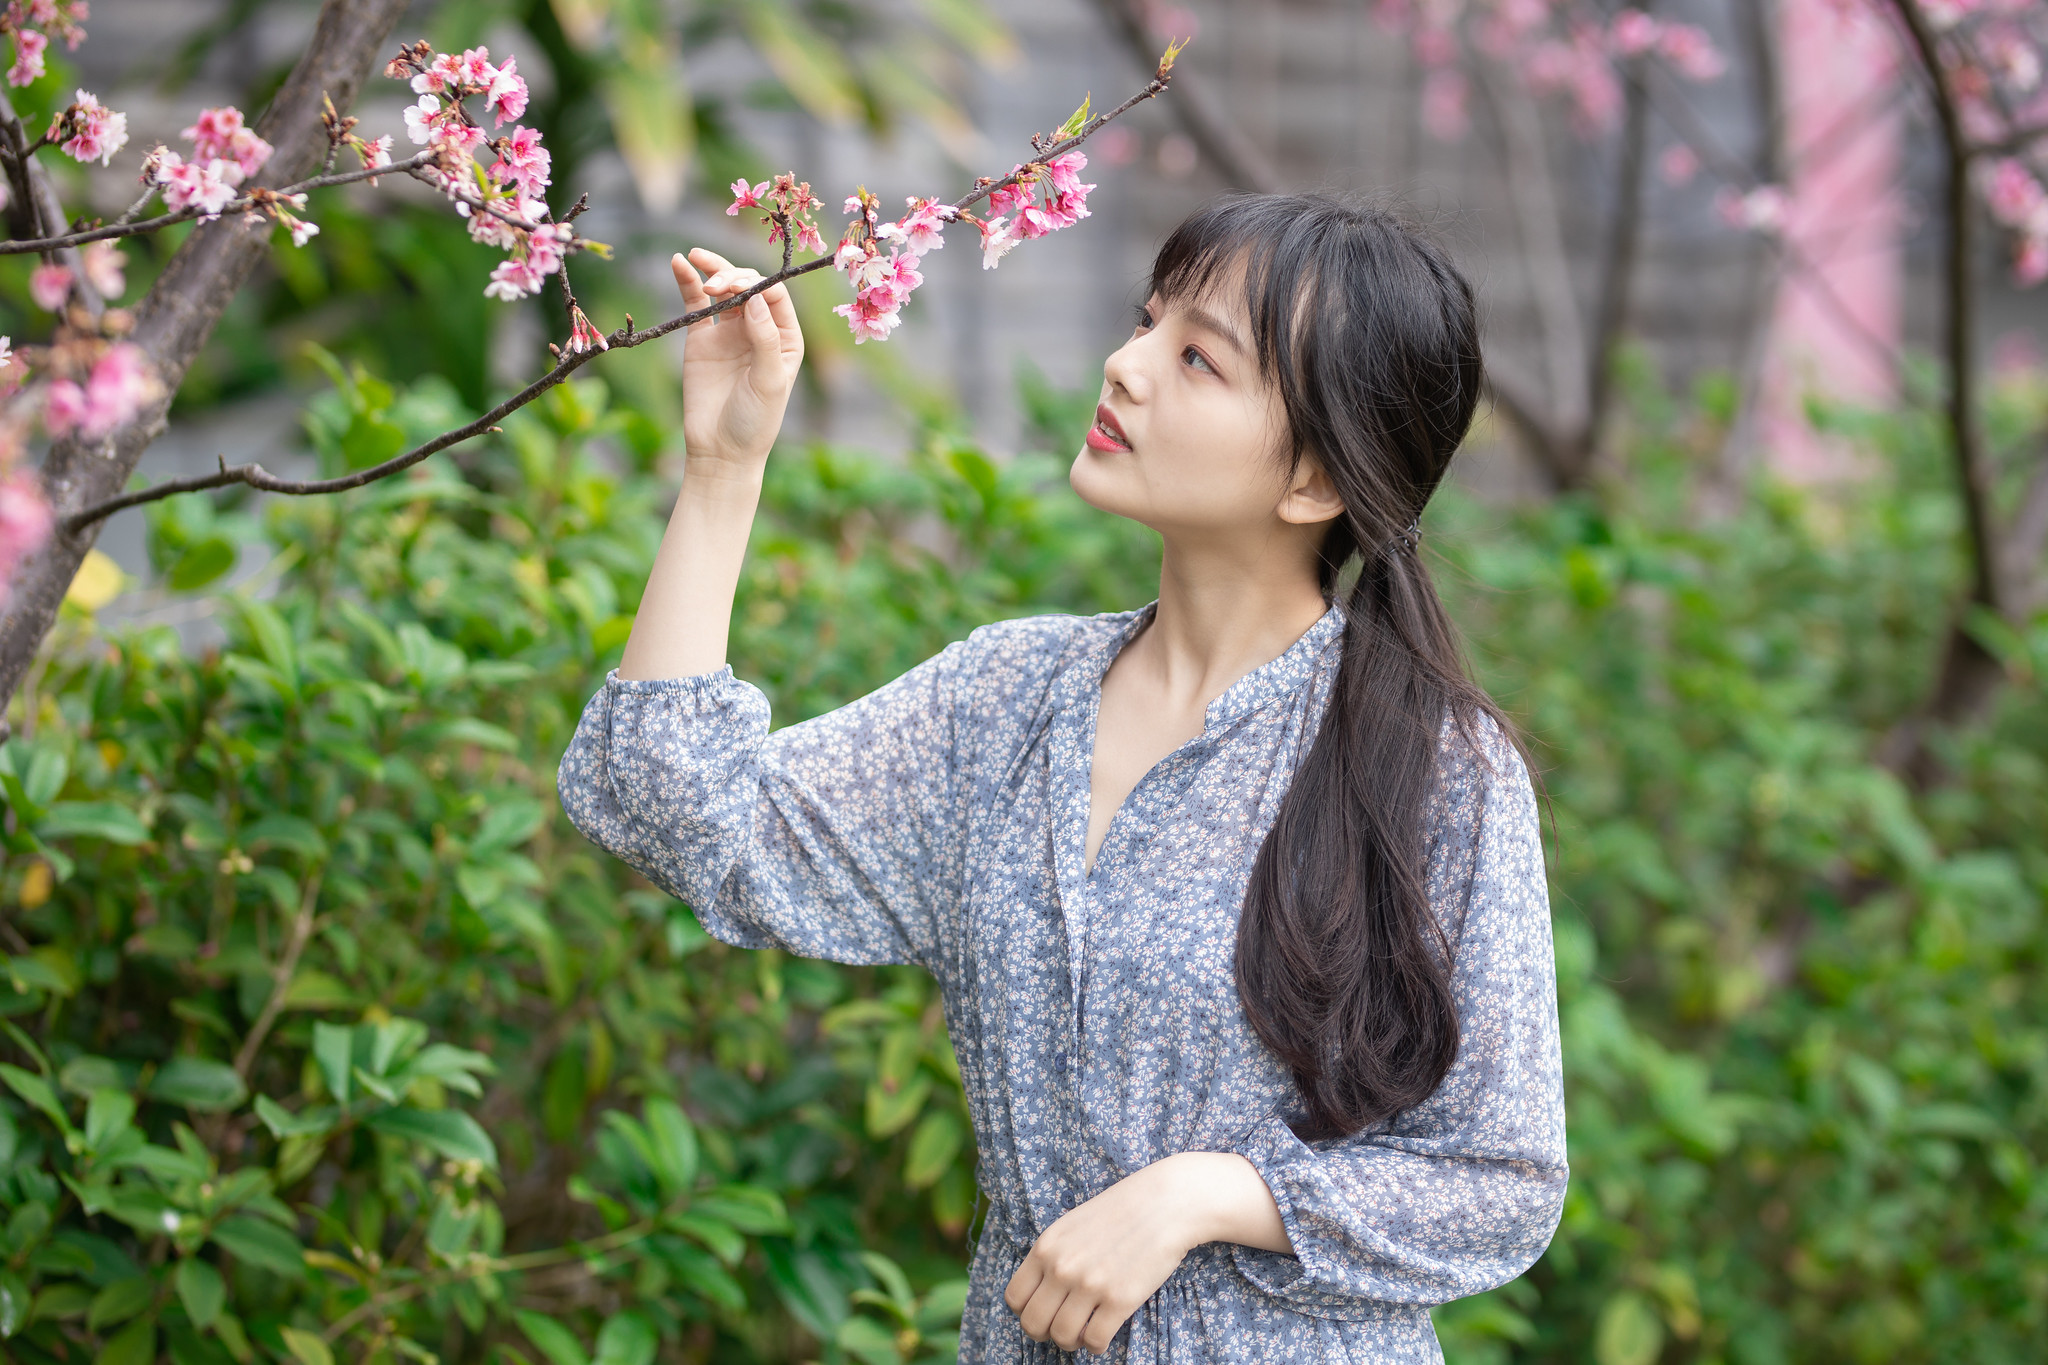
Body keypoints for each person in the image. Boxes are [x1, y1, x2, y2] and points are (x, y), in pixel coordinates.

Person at [557, 192, 1566, 1363]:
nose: (1124, 366)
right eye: (1146, 323)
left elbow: (1498, 1181)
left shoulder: (1433, 767)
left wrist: (1204, 1193)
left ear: (1312, 483)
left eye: (1196, 359)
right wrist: (724, 467)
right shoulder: (1007, 701)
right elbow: (672, 809)